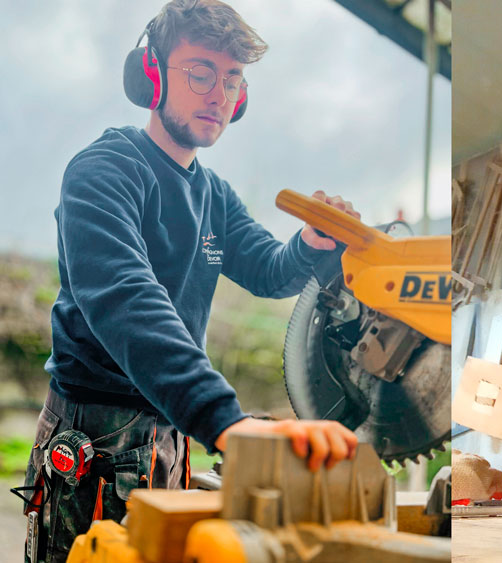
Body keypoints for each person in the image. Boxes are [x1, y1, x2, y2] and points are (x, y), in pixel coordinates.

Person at [18, 1, 361, 560]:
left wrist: (308, 246)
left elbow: (269, 270)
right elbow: (127, 298)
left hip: (171, 432)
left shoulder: (215, 195)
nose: (219, 95)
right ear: (151, 75)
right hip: (95, 439)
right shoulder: (104, 172)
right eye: (201, 72)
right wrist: (225, 421)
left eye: (232, 79)